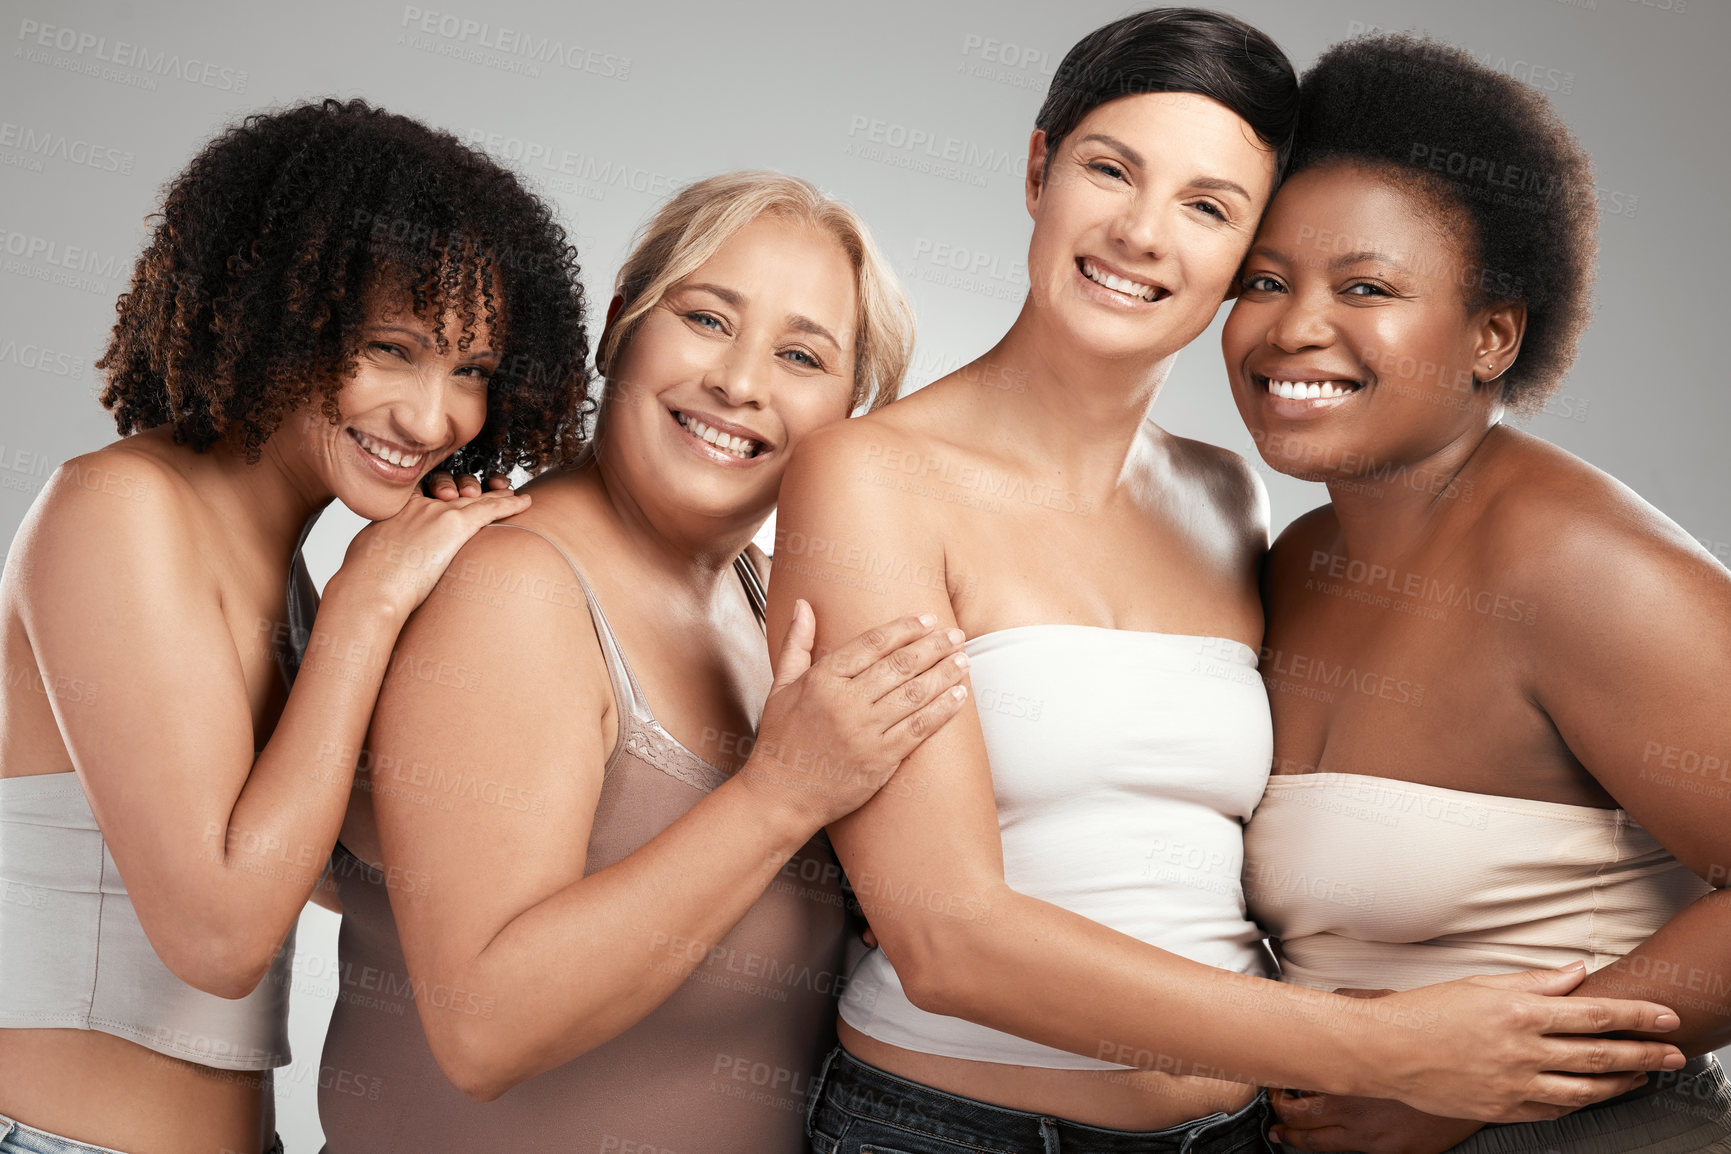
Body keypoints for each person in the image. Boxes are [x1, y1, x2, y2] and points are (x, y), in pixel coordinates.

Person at [769, 10, 1689, 1154]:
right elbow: (947, 937)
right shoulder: (869, 478)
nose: (1144, 234)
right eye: (1111, 170)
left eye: (1210, 208)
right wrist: (1385, 1048)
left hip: (1238, 1133)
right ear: (1039, 170)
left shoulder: (1228, 503)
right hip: (959, 1126)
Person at [315, 171, 971, 1152]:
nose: (740, 382)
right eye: (707, 318)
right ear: (622, 323)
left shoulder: (767, 599)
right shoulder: (516, 587)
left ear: (853, 410)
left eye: (800, 354)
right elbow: (485, 1025)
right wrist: (782, 796)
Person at [0, 98, 591, 1154]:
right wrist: (368, 605)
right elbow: (220, 933)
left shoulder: (279, 561)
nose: (431, 416)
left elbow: (324, 871)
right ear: (271, 310)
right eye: (390, 348)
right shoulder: (118, 510)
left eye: (472, 370)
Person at [1226, 34, 1731, 1154]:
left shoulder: (1580, 566)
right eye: (1265, 280)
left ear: (1493, 335)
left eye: (1366, 286)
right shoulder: (1295, 562)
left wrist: (1466, 1085)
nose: (1294, 327)